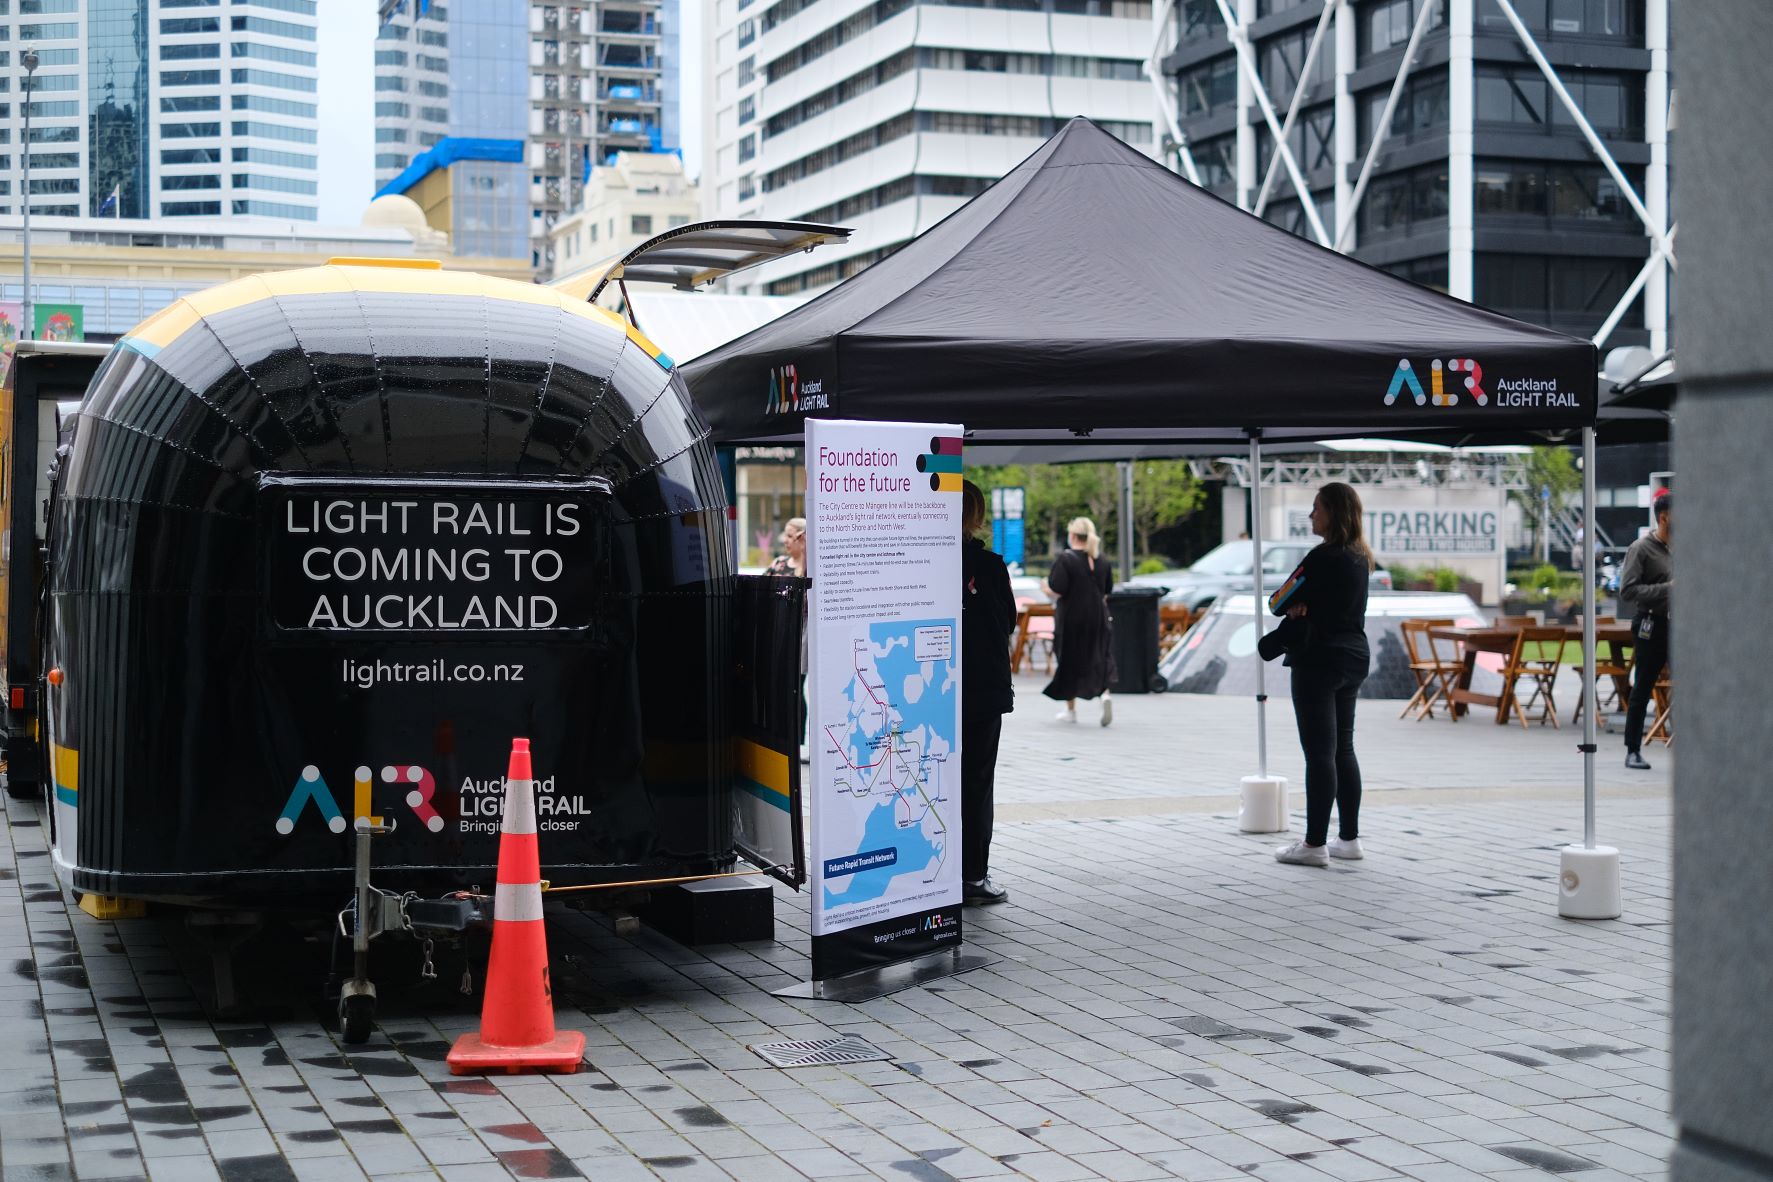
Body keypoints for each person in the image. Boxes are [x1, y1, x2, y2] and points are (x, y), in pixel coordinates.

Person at [1273, 482, 1373, 868]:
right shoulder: (1360, 557)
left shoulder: (1320, 558)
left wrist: (1297, 609)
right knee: (1342, 749)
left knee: (1318, 754)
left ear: (1333, 512)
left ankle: (1314, 844)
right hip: (1353, 657)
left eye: (1316, 507)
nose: (1311, 514)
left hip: (1318, 659)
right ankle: (1348, 839)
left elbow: (1278, 600)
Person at [960, 482, 1016, 905]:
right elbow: (1008, 621)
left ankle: (933, 871)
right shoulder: (989, 566)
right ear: (975, 516)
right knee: (977, 781)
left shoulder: (916, 561)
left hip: (927, 689)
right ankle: (972, 876)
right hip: (981, 689)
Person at [1042, 517, 1115, 725]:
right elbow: (1107, 591)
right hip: (1099, 616)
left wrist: (1044, 588)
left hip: (1072, 617)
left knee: (1068, 659)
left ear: (1072, 535)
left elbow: (1057, 589)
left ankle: (1070, 710)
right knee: (1099, 655)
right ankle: (1105, 695)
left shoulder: (1066, 559)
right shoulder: (1102, 560)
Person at [1620, 493, 1672, 770]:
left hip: (1680, 627)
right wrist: (1668, 589)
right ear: (1664, 517)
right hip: (1651, 625)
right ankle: (1632, 750)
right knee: (1643, 686)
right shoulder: (1641, 548)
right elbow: (1627, 591)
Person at [766, 518, 809, 759]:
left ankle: (799, 742)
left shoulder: (810, 565)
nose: (785, 540)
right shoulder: (778, 564)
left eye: (792, 535)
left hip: (801, 631)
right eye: (785, 534)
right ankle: (781, 738)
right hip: (779, 630)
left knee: (797, 684)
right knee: (781, 684)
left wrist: (806, 550)